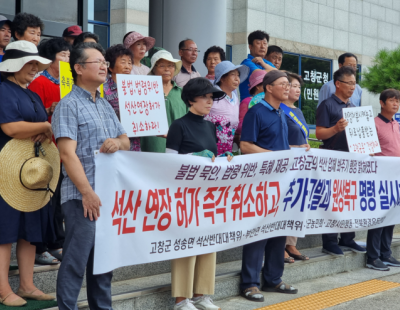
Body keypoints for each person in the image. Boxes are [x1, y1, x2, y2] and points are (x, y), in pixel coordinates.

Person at [52, 42, 130, 310]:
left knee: (103, 262)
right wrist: (86, 192)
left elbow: (126, 140)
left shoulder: (105, 104)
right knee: (75, 261)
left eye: (104, 62)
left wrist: (118, 143)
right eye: (97, 61)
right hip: (81, 197)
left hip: (108, 195)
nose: (104, 66)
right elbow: (67, 154)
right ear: (78, 68)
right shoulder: (68, 105)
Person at [240, 70, 309, 302]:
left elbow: (283, 147)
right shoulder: (256, 112)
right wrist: (273, 157)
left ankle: (273, 279)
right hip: (260, 183)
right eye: (283, 84)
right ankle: (249, 283)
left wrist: (297, 152)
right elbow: (246, 146)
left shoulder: (282, 113)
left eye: (289, 85)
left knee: (279, 229)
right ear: (269, 87)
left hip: (281, 182)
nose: (288, 88)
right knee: (258, 232)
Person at [166, 77, 230, 310]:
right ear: (191, 99)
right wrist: (194, 158)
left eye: (212, 97)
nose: (209, 102)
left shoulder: (210, 125)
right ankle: (182, 299)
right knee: (186, 243)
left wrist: (223, 160)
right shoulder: (178, 125)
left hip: (208, 192)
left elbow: (211, 157)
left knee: (207, 240)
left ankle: (203, 294)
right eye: (205, 97)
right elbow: (169, 162)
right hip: (185, 194)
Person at [0, 40, 56, 307]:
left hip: (30, 170)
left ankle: (26, 285)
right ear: (15, 65)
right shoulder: (2, 89)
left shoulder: (31, 93)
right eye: (30, 63)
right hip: (5, 169)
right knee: (4, 231)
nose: (35, 68)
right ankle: (3, 289)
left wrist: (44, 127)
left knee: (28, 229)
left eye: (37, 63)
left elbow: (34, 128)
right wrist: (46, 125)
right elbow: (10, 128)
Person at [28, 38, 71, 265]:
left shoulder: (68, 83)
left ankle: (56, 242)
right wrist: (48, 109)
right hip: (44, 149)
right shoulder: (40, 83)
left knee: (59, 200)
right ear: (50, 59)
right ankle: (41, 246)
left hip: (64, 148)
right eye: (63, 55)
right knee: (45, 199)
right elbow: (31, 117)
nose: (68, 59)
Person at [316, 66, 367, 256]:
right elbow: (320, 133)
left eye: (355, 83)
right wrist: (336, 129)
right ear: (338, 84)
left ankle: (348, 238)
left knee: (348, 200)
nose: (353, 87)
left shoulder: (353, 108)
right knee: (332, 200)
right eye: (350, 83)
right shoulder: (327, 105)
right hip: (332, 159)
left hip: (351, 160)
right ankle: (329, 241)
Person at [366, 89, 400, 271]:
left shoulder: (397, 124)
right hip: (379, 178)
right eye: (392, 100)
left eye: (398, 101)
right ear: (382, 102)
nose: (396, 104)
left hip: (395, 178)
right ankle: (373, 257)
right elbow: (367, 151)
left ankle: (386, 254)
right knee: (378, 218)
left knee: (391, 217)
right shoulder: (373, 124)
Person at [281, 72, 310, 263]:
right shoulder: (280, 109)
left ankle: (291, 243)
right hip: (286, 162)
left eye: (299, 87)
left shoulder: (298, 111)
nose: (297, 90)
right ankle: (280, 245)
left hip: (301, 163)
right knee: (284, 202)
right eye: (293, 86)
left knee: (297, 202)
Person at [140, 50, 188, 153]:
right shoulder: (144, 92)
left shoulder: (183, 93)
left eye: (170, 66)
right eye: (162, 66)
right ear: (153, 69)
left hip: (178, 148)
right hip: (151, 147)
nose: (167, 69)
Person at [205, 61, 249, 155]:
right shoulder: (212, 95)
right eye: (233, 75)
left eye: (238, 75)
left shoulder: (235, 98)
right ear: (222, 78)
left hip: (227, 152)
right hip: (209, 150)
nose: (237, 79)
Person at [104, 44, 140, 151]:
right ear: (110, 67)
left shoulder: (138, 87)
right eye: (123, 62)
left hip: (135, 143)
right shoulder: (103, 89)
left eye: (129, 63)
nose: (127, 66)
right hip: (113, 143)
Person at [239, 30, 277, 99]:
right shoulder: (247, 63)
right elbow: (261, 75)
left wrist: (264, 64)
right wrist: (272, 70)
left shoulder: (268, 63)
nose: (262, 46)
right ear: (250, 47)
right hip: (250, 105)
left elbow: (279, 75)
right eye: (258, 43)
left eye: (265, 43)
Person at [236, 70, 266, 138]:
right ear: (257, 86)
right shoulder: (246, 102)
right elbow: (240, 126)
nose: (269, 86)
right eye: (266, 84)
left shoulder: (270, 102)